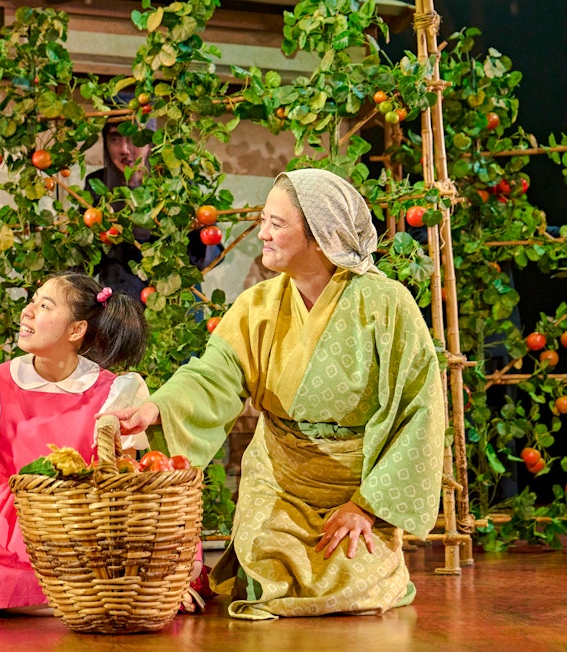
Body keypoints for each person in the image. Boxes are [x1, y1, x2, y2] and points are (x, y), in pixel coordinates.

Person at [103, 168, 446, 620]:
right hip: (279, 479)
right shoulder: (257, 305)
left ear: (321, 237)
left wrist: (368, 506)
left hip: (356, 488)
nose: (261, 233)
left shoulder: (387, 304)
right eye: (264, 220)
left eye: (276, 224)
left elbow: (419, 410)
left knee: (354, 584)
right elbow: (214, 375)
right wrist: (156, 408)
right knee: (267, 568)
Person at [0, 270, 159, 616]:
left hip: (79, 525)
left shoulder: (113, 392)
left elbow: (121, 486)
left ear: (76, 330)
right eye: (32, 301)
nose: (27, 311)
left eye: (44, 305)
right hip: (6, 528)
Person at [85, 114, 221, 300]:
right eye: (115, 139)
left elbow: (212, 255)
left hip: (173, 302)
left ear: (150, 142)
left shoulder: (178, 184)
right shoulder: (97, 184)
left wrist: (198, 231)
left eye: (134, 138)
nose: (124, 149)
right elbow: (86, 256)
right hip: (120, 302)